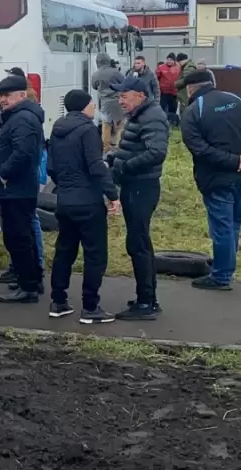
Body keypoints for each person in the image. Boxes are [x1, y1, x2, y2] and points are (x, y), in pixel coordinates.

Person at [179, 71, 241, 291]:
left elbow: (198, 148)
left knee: (222, 227)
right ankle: (225, 266)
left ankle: (221, 276)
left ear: (191, 89)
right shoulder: (239, 100)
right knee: (234, 224)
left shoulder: (193, 112)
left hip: (216, 178)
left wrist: (233, 161)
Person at [47, 90, 120, 324]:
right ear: (84, 107)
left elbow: (51, 167)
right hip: (88, 201)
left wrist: (66, 187)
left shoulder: (58, 128)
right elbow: (96, 166)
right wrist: (112, 195)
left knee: (64, 251)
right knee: (95, 255)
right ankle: (90, 307)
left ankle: (58, 301)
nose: (94, 108)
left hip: (65, 200)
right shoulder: (88, 130)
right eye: (92, 104)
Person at [108, 76, 169, 320]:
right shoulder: (141, 115)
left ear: (140, 96)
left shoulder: (151, 115)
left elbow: (156, 152)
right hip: (135, 185)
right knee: (139, 243)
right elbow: (136, 147)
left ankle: (146, 303)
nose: (120, 100)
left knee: (138, 244)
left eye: (124, 95)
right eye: (119, 96)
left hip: (141, 187)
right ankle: (147, 297)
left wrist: (124, 167)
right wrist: (115, 158)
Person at [0, 74, 45, 304]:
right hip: (15, 188)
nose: (2, 100)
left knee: (19, 238)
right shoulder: (18, 116)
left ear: (22, 95)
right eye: (1, 96)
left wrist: (4, 173)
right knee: (22, 237)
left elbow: (23, 153)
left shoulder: (22, 119)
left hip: (16, 188)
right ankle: (29, 279)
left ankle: (28, 287)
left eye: (7, 95)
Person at [92, 52, 126, 153]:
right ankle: (118, 146)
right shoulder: (116, 72)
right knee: (120, 125)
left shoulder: (96, 74)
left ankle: (105, 148)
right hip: (118, 102)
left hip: (105, 104)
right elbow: (124, 84)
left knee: (106, 126)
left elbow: (94, 86)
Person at [156, 53, 180, 125]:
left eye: (171, 60)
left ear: (174, 61)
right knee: (162, 107)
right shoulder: (161, 67)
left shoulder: (178, 68)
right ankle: (162, 122)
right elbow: (157, 77)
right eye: (168, 59)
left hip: (174, 92)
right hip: (164, 92)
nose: (169, 61)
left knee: (173, 108)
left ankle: (172, 122)